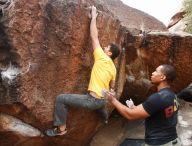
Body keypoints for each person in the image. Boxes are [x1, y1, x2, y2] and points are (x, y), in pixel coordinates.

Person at [45, 6, 120, 137]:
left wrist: (94, 18)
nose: (104, 47)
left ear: (109, 52)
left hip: (92, 101)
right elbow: (112, 87)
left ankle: (61, 130)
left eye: (106, 47)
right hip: (103, 101)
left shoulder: (101, 57)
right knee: (101, 106)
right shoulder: (113, 68)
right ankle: (105, 118)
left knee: (61, 99)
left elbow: (94, 36)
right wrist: (110, 90)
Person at [105, 64, 181, 146]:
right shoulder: (172, 95)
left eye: (156, 71)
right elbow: (154, 110)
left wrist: (112, 99)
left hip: (159, 143)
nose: (153, 73)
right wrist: (134, 107)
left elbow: (130, 115)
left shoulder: (157, 98)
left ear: (162, 77)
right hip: (173, 141)